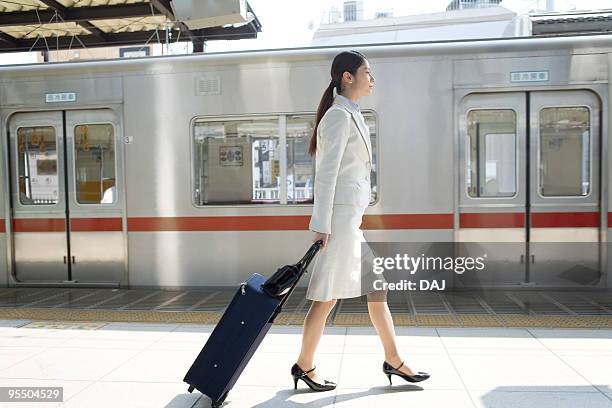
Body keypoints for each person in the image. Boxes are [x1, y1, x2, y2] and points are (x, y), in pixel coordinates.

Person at [291, 50, 430, 392]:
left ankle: (394, 360)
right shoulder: (338, 116)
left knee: (375, 286)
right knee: (327, 296)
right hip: (338, 224)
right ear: (347, 77)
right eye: (367, 72)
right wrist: (320, 226)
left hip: (350, 222)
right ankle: (304, 365)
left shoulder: (352, 114)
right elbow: (325, 175)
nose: (372, 78)